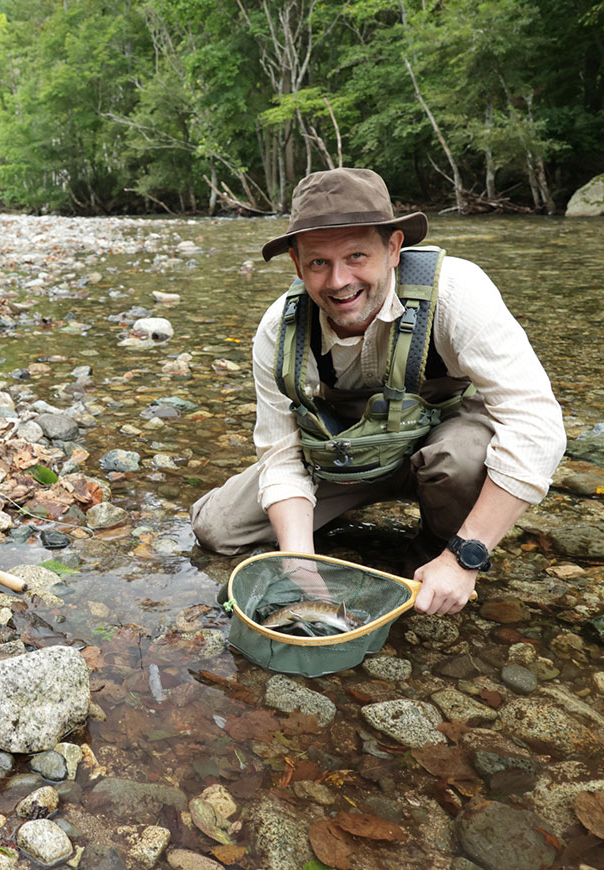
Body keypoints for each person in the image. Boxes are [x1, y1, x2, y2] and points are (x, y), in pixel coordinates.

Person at [191, 167, 565, 615]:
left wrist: (467, 555)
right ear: (296, 265)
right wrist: (298, 560)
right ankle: (332, 519)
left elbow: (537, 425)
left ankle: (437, 546)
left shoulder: (457, 292)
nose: (338, 281)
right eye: (318, 263)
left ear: (393, 248)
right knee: (216, 527)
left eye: (356, 256)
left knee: (464, 455)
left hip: (438, 454)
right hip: (344, 459)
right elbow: (281, 454)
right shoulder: (280, 330)